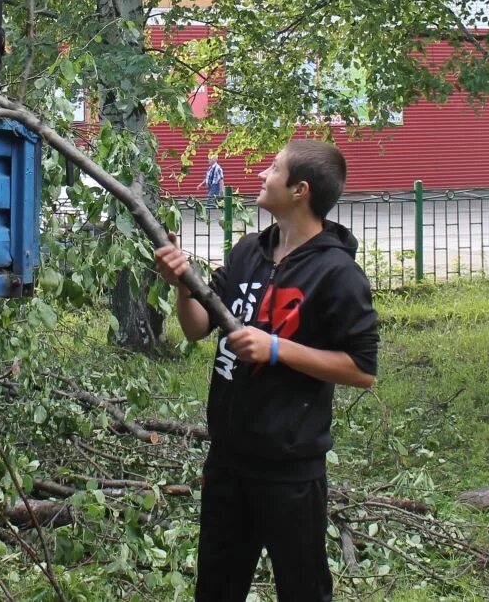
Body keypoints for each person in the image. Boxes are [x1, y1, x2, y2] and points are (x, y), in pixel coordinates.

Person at [154, 140, 379, 602]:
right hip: (228, 459)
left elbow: (362, 369)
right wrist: (181, 286)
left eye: (273, 168)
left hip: (290, 469)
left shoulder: (337, 273)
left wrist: (277, 349)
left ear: (300, 190)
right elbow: (197, 329)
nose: (261, 174)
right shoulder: (248, 253)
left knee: (302, 590)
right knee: (216, 587)